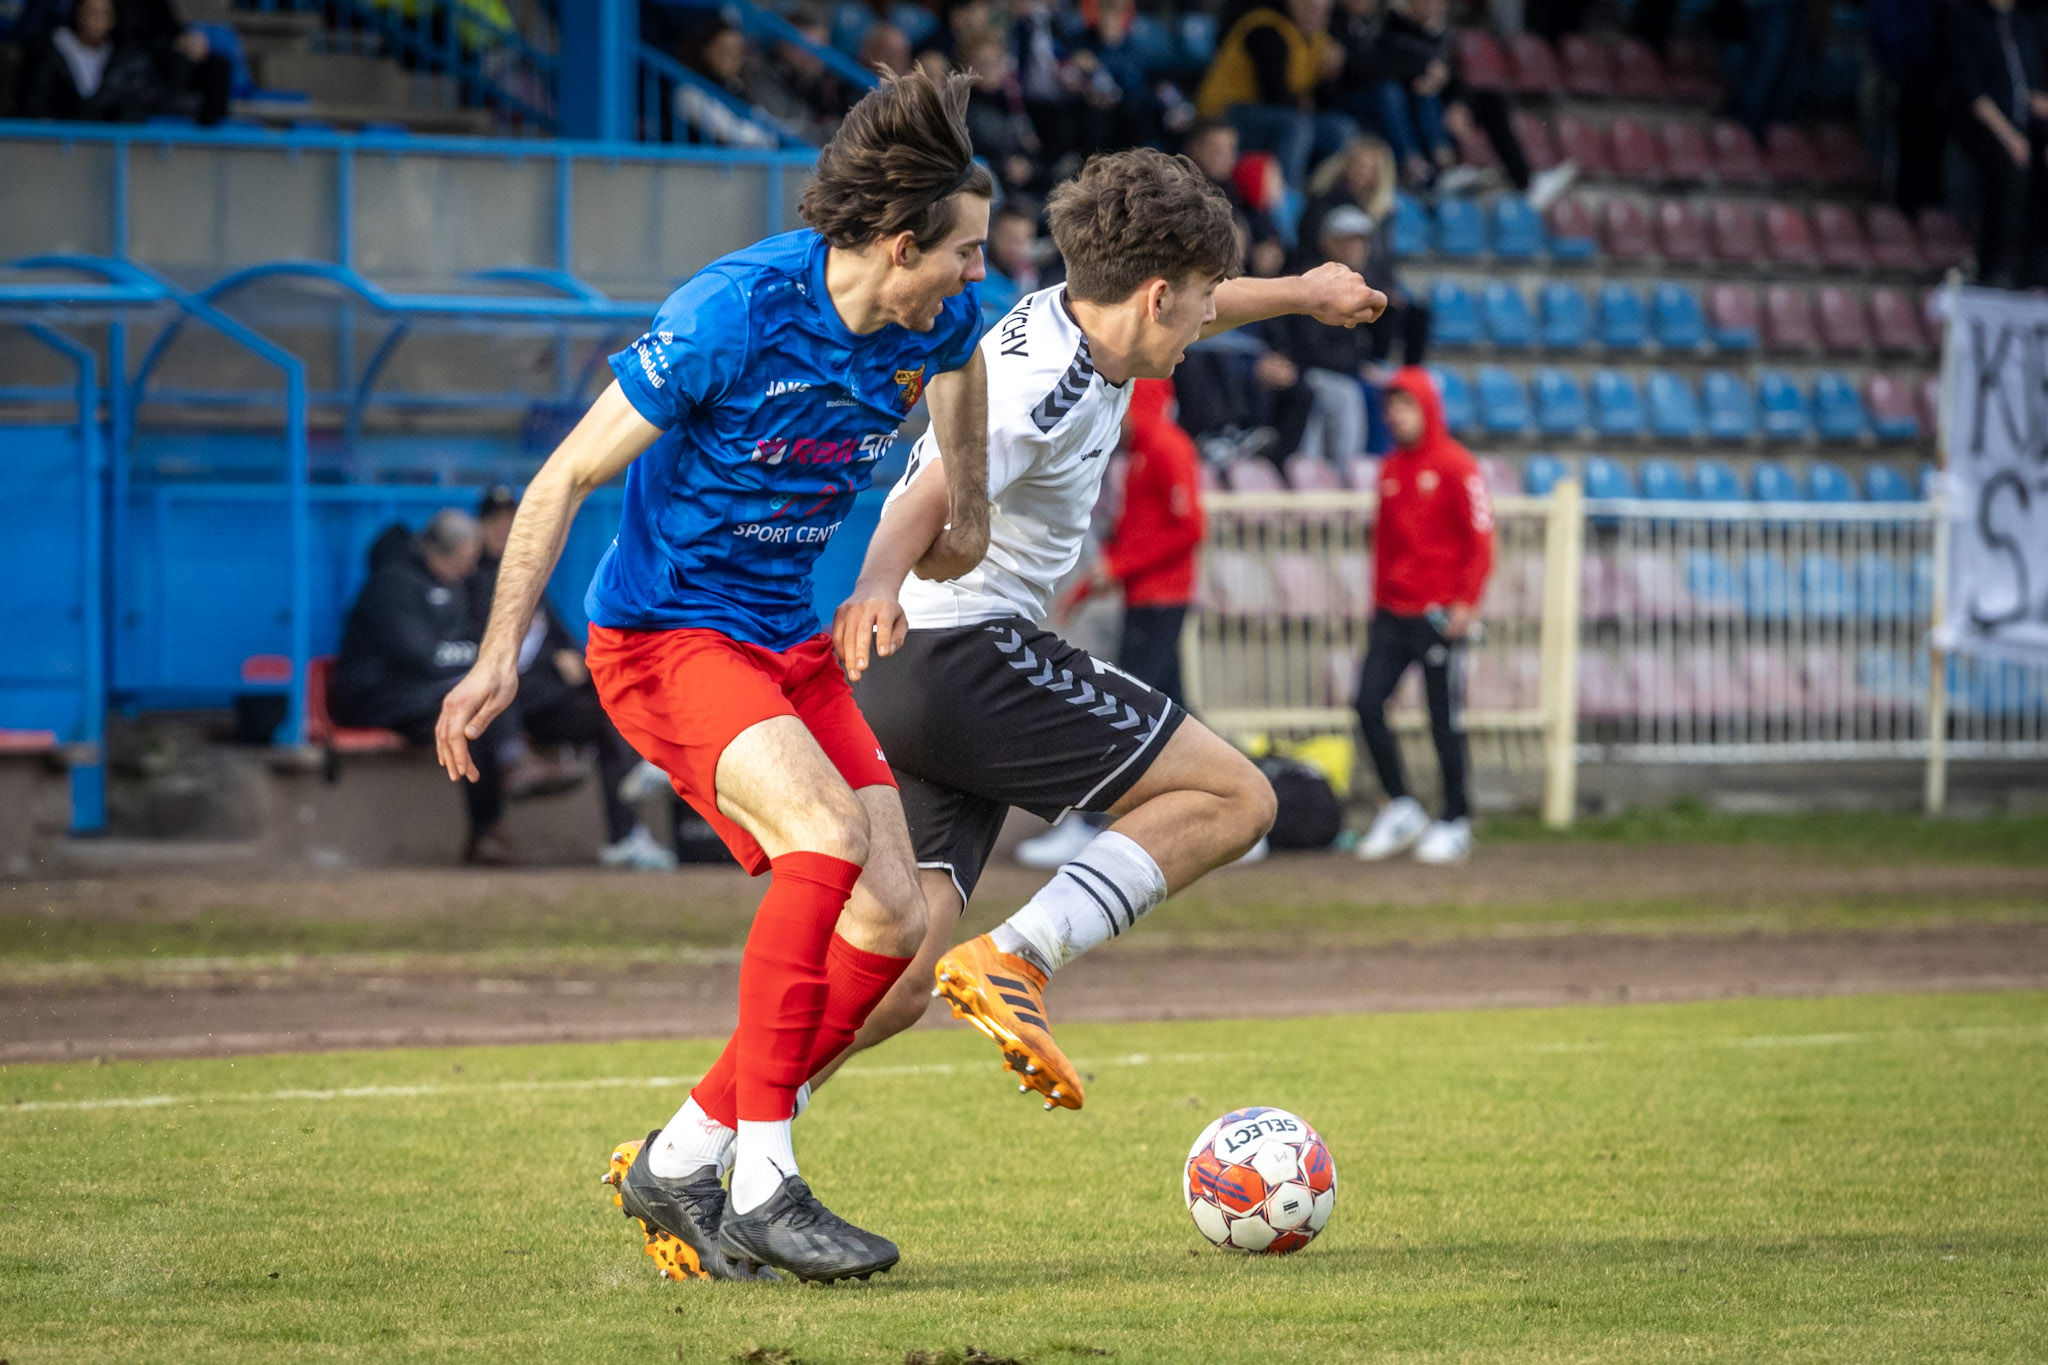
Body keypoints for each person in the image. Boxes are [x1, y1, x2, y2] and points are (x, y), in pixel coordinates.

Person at [436, 69, 995, 1284]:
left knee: (895, 920)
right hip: (665, 637)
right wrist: (494, 658)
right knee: (823, 839)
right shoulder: (730, 312)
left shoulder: (942, 328)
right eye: (965, 252)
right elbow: (562, 479)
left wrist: (922, 552)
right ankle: (764, 1182)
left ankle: (684, 1153)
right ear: (900, 246)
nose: (977, 275)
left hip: (785, 641)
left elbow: (960, 500)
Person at [824, 147, 1383, 1111]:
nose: (1207, 319)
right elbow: (929, 489)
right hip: (963, 652)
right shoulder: (1046, 381)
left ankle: (701, 1139)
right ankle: (1019, 956)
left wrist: (1302, 291)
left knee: (895, 977)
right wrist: (874, 583)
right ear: (1158, 297)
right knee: (1236, 797)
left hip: (913, 671)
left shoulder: (1090, 315)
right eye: (1198, 300)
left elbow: (1208, 301)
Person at [1017, 376, 1211, 868]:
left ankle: (1091, 825)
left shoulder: (1166, 446)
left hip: (1162, 600)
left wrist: (1117, 569)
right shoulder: (1143, 452)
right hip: (1147, 599)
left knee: (1124, 710)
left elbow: (1190, 527)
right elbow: (1140, 535)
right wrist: (1090, 587)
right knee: (1177, 713)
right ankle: (1218, 811)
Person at [469, 487, 676, 871]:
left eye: (509, 521)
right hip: (510, 702)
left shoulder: (527, 574)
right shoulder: (473, 578)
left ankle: (627, 830)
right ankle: (652, 760)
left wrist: (573, 658)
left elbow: (558, 635)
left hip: (545, 696)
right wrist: (555, 661)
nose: (502, 529)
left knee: (608, 712)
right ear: (480, 528)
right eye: (494, 522)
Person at [1353, 367, 1493, 866]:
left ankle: (1455, 818)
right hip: (1392, 614)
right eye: (1391, 406)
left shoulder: (1457, 465)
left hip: (1438, 616)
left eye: (1405, 404)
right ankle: (1401, 805)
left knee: (1443, 719)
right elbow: (1384, 545)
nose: (1396, 415)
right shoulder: (1390, 468)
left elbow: (1480, 540)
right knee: (1366, 704)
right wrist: (1377, 603)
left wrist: (1465, 603)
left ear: (1427, 408)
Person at [331, 511, 520, 865]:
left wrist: (483, 661)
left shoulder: (453, 583)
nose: (470, 569)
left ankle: (508, 778)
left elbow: (456, 648)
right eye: (464, 560)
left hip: (420, 694)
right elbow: (420, 655)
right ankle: (489, 823)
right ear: (440, 552)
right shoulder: (392, 584)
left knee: (482, 703)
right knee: (467, 718)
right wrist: (480, 657)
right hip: (375, 698)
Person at [1195, 0, 1357, 190]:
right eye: (1309, 6)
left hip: (1275, 117)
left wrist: (1330, 76)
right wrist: (1303, 103)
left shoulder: (1321, 41)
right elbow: (1275, 96)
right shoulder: (1266, 27)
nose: (1315, 14)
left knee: (1341, 128)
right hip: (1224, 115)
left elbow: (1324, 103)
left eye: (1322, 10)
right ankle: (1287, 199)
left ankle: (1323, 194)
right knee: (1296, 127)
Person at [1946, 0, 2048, 289]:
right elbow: (1975, 95)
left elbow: (2031, 91)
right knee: (2010, 168)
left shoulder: (2024, 25)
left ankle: (2037, 272)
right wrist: (2011, 137)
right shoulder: (1969, 23)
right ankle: (1997, 269)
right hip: (1986, 123)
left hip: (2026, 123)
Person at [1266, 204, 1377, 464]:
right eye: (1348, 240)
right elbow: (1311, 350)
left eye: (1360, 241)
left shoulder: (1360, 283)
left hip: (1338, 371)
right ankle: (1334, 473)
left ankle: (1368, 469)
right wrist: (1357, 365)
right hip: (1308, 371)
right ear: (1327, 242)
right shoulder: (1312, 280)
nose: (1356, 248)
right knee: (1344, 394)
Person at [1303, 136, 1428, 365]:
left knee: (1414, 312)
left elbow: (1384, 258)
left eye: (1368, 167)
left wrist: (1388, 287)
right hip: (1337, 277)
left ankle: (1409, 374)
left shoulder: (1383, 212)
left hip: (1371, 279)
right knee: (1379, 308)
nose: (1361, 172)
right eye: (1358, 164)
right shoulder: (1325, 199)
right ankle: (1371, 366)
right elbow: (1318, 248)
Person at [12, 0, 160, 122]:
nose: (96, 20)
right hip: (53, 142)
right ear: (78, 11)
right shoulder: (48, 49)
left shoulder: (127, 57)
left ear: (113, 18)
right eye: (91, 12)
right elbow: (33, 102)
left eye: (104, 13)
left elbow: (135, 108)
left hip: (105, 143)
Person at [1184, 116, 1287, 276]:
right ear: (1196, 149)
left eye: (1231, 149)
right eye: (1216, 150)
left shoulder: (1236, 185)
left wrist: (1269, 245)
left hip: (1247, 277)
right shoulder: (1183, 190)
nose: (1226, 157)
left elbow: (1266, 231)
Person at [121, 0, 232, 126]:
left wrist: (187, 41)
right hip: (141, 59)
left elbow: (172, 28)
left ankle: (211, 128)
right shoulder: (126, 7)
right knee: (179, 62)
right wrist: (175, 43)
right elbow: (133, 34)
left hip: (168, 55)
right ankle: (168, 113)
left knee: (218, 65)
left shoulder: (158, 4)